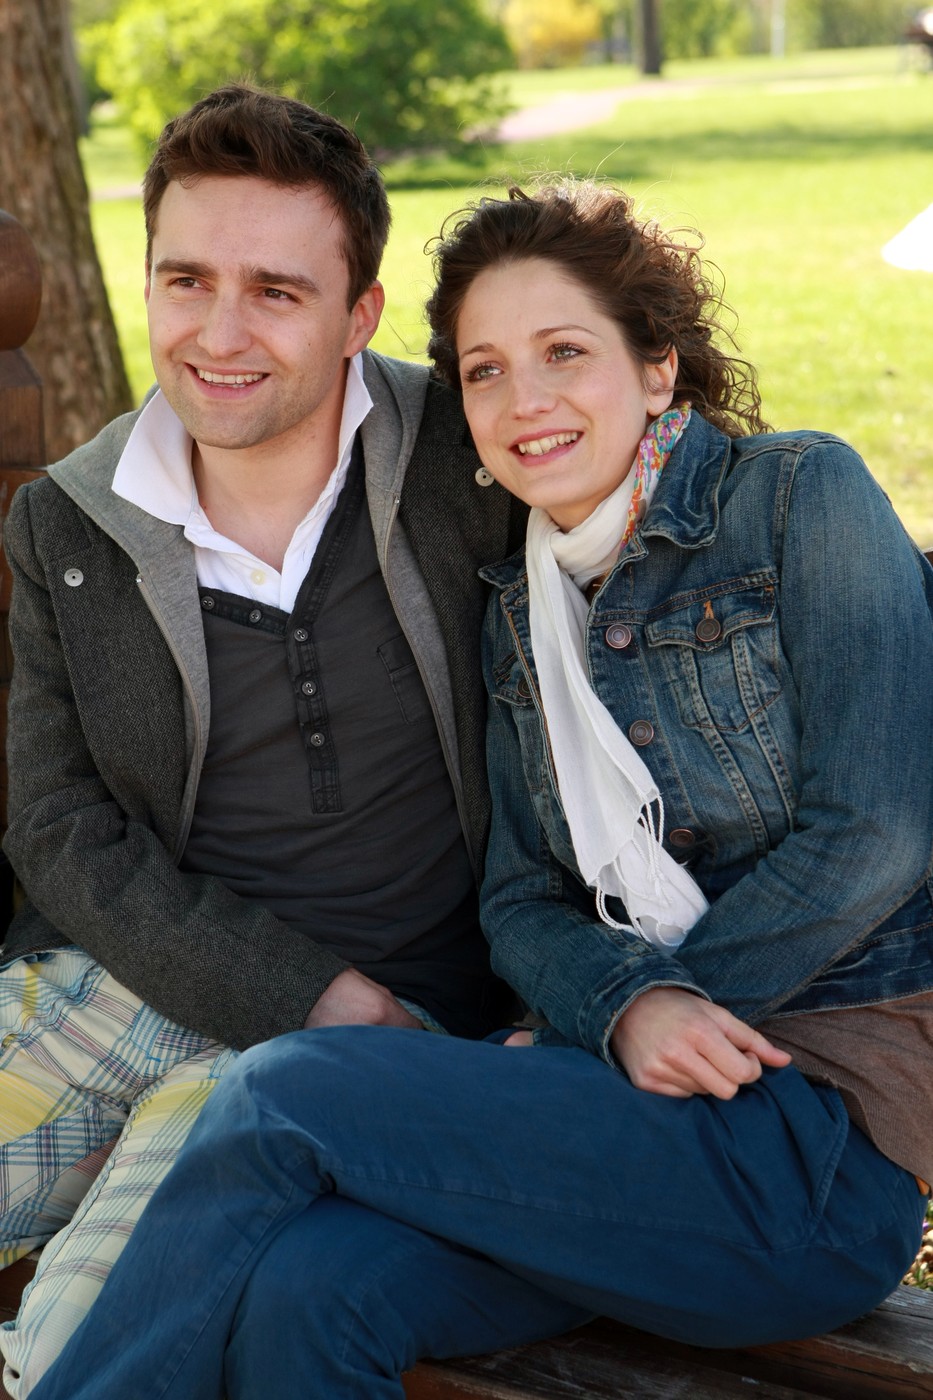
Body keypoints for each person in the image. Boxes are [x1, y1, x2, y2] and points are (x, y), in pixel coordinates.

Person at [26, 180, 933, 1400]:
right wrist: (614, 1010)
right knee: (310, 1290)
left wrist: (649, 1001)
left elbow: (877, 831)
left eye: (565, 352)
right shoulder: (519, 611)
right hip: (604, 1121)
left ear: (657, 367)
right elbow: (520, 900)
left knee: (286, 1088)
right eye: (485, 371)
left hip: (807, 1144)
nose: (524, 400)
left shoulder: (797, 497)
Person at [0, 86, 527, 1396]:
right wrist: (301, 984)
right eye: (186, 279)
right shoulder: (71, 522)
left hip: (350, 1059)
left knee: (75, 1361)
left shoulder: (475, 466)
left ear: (360, 314)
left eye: (276, 293)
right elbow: (58, 828)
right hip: (121, 984)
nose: (218, 334)